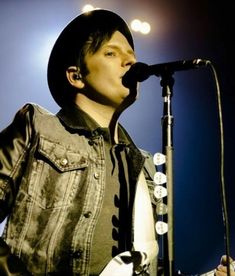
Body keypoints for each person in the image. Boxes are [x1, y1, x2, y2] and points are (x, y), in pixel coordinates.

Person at [0, 8, 233, 276]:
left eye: (132, 56)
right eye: (111, 53)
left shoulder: (142, 165)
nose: (130, 62)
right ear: (76, 76)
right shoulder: (37, 128)